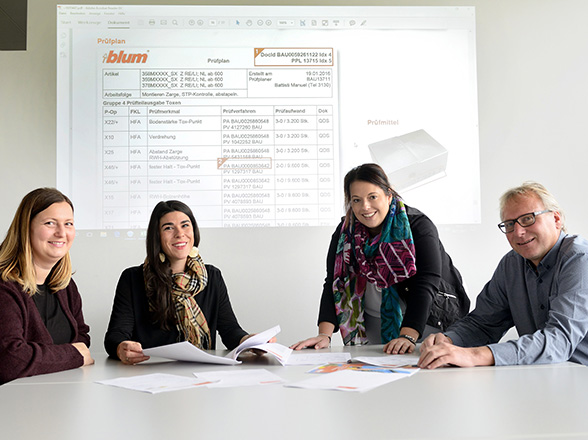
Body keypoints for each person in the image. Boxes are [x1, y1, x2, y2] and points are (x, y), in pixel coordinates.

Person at [291, 163, 469, 354]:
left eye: (372, 197)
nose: (365, 207)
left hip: (425, 318)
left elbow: (427, 280)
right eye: (356, 200)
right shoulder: (345, 232)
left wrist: (408, 335)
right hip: (372, 322)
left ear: (388, 195)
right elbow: (335, 282)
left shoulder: (418, 226)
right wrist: (324, 335)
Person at [418, 182, 588, 369]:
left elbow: (559, 341)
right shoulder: (512, 263)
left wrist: (474, 355)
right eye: (509, 224)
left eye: (528, 219)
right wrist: (448, 340)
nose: (518, 232)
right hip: (544, 375)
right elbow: (483, 324)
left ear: (556, 219)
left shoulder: (580, 259)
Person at [104, 200, 272, 365]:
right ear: (157, 236)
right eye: (168, 228)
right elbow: (115, 336)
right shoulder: (132, 278)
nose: (179, 233)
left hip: (200, 372)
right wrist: (121, 348)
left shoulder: (212, 276)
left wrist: (249, 341)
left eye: (185, 225)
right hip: (150, 372)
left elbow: (230, 330)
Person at [0, 188, 93, 384]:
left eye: (68, 224)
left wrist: (53, 358)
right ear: (26, 227)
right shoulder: (4, 286)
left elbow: (81, 339)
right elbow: (11, 360)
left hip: (55, 391)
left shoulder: (65, 285)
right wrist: (72, 355)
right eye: (50, 223)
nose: (61, 233)